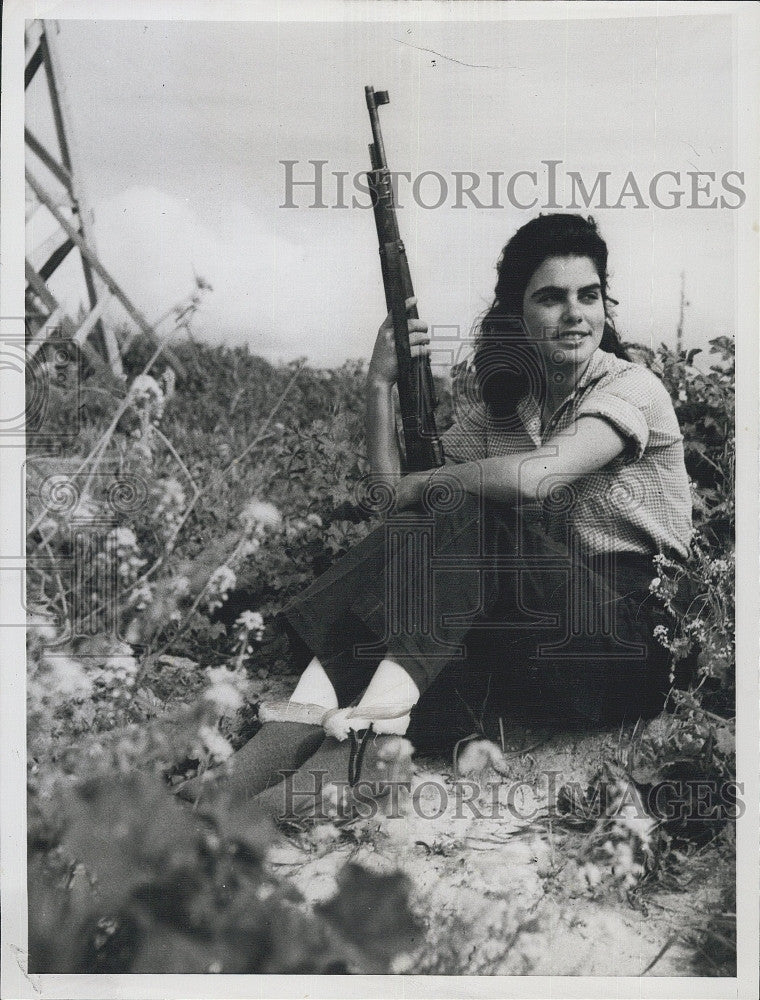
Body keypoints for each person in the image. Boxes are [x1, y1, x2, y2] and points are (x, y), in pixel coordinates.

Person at [178, 213, 693, 817]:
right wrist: (379, 385)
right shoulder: (507, 413)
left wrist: (439, 480)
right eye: (550, 298)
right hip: (546, 643)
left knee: (462, 500)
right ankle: (287, 735)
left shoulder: (631, 387)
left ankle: (369, 743)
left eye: (589, 295)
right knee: (433, 521)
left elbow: (537, 475)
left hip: (630, 642)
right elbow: (394, 498)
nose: (575, 313)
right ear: (516, 316)